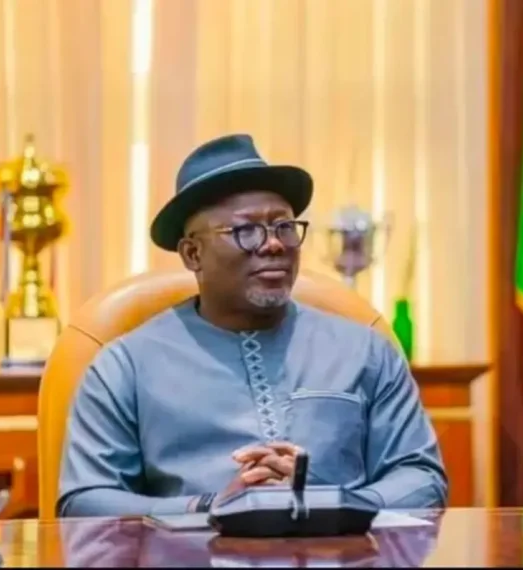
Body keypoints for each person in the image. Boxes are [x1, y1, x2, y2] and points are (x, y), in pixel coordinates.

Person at [57, 134, 448, 518]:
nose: (274, 244)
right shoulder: (126, 365)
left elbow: (422, 479)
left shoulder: (365, 351)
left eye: (284, 227)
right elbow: (84, 501)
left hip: (340, 551)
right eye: (245, 231)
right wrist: (207, 507)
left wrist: (329, 503)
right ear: (193, 254)